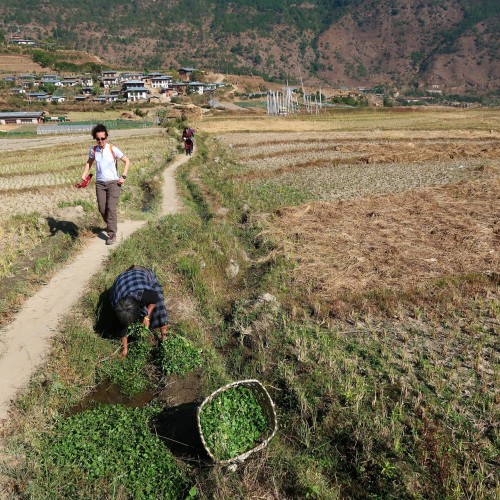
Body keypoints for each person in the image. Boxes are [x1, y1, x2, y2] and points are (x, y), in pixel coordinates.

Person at [81, 123, 130, 245]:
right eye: (98, 139)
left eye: (102, 138)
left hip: (114, 183)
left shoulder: (113, 149)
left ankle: (112, 234)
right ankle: (110, 224)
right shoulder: (93, 150)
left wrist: (123, 176)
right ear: (95, 139)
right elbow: (89, 162)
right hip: (100, 184)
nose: (100, 141)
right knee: (102, 209)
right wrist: (84, 174)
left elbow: (127, 161)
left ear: (106, 137)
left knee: (110, 208)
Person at [110, 265, 168, 357]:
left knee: (160, 304)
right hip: (122, 279)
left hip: (142, 273)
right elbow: (122, 329)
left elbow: (154, 299)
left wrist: (146, 317)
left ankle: (164, 335)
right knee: (122, 322)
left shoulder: (143, 294)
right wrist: (124, 348)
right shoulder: (119, 308)